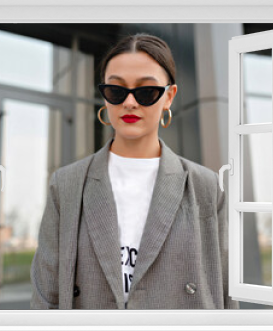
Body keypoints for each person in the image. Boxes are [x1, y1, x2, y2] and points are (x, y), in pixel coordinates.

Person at [30, 33, 239, 310]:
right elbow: (46, 295)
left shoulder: (205, 186)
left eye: (146, 92)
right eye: (116, 91)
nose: (129, 102)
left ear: (169, 97)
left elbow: (224, 290)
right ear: (104, 96)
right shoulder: (67, 184)